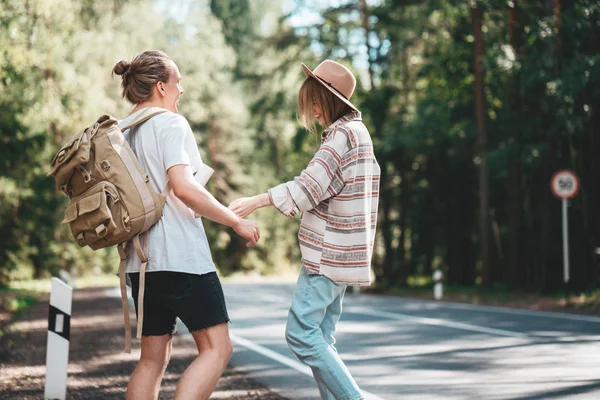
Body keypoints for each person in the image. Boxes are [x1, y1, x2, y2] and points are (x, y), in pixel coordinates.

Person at [112, 50, 260, 400]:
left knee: (151, 360)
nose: (183, 89)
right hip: (182, 260)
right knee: (217, 349)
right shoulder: (170, 123)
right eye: (178, 82)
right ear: (161, 87)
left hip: (140, 264)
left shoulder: (119, 132)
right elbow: (184, 188)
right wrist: (235, 221)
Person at [229, 60, 380, 400]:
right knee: (321, 337)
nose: (311, 110)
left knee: (300, 334)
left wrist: (257, 200)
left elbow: (310, 186)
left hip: (327, 256)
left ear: (330, 99)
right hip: (346, 255)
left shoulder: (342, 136)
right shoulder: (360, 134)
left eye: (314, 100)